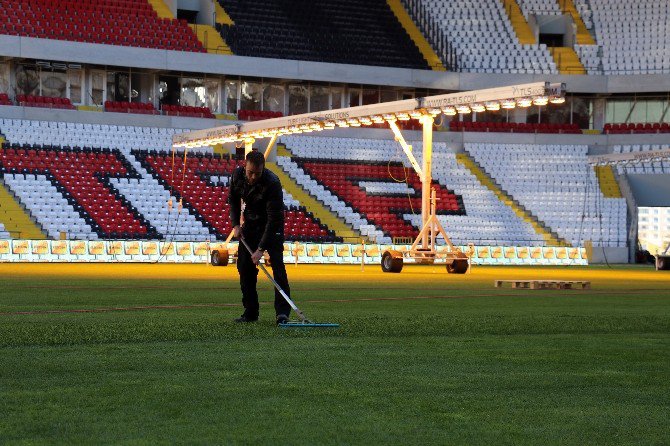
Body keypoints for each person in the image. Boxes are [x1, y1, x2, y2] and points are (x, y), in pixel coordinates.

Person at [228, 150, 291, 325]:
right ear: (244, 167)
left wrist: (261, 250)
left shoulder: (272, 183)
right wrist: (236, 224)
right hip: (251, 223)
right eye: (250, 173)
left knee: (278, 267)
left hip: (272, 226)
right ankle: (250, 312)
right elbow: (232, 200)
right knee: (244, 267)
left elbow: (274, 219)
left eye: (257, 173)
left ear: (263, 169)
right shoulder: (237, 176)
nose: (254, 177)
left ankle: (282, 313)